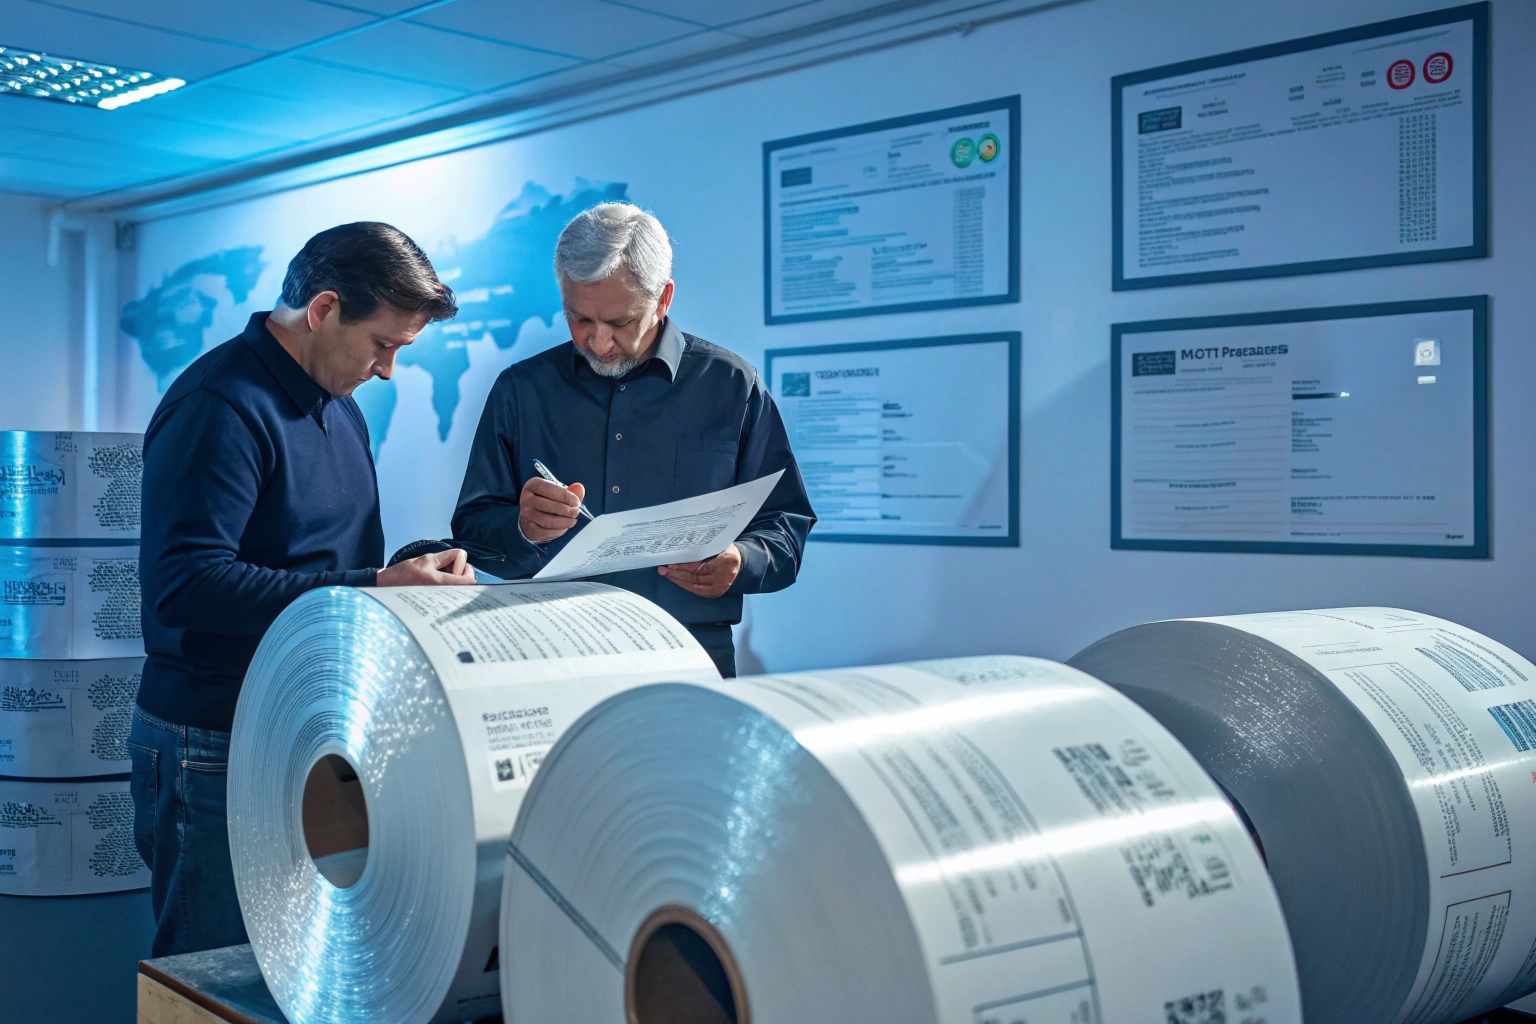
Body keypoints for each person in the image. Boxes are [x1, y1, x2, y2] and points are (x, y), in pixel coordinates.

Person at [131, 222, 476, 958]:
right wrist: (374, 585)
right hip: (212, 742)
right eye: (382, 345)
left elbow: (321, 556)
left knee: (296, 971)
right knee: (212, 975)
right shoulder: (219, 405)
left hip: (305, 727)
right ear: (323, 310)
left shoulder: (339, 404)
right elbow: (185, 584)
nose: (387, 370)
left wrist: (411, 569)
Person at [453, 203, 814, 676]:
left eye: (619, 323)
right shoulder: (520, 391)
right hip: (550, 660)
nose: (598, 343)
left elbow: (786, 523)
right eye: (579, 319)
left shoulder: (732, 386)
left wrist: (742, 560)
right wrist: (521, 527)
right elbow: (472, 530)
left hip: (690, 658)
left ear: (663, 299)